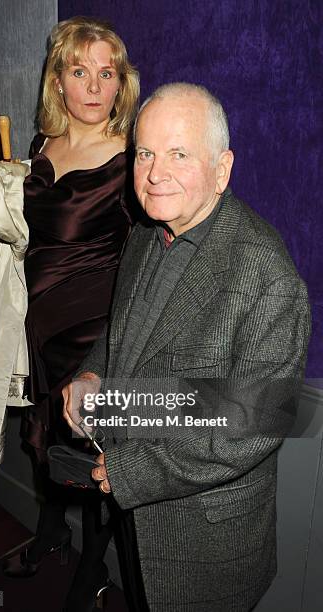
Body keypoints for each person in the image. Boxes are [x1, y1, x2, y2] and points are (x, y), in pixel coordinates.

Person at [63, 83, 311, 611]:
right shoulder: (147, 232)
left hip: (205, 541)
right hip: (134, 519)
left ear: (222, 169)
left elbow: (251, 421)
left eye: (179, 154)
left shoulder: (266, 274)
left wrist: (133, 472)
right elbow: (123, 330)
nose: (154, 174)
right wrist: (91, 375)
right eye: (145, 154)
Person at [3, 16, 139, 611]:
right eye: (78, 70)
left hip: (92, 336)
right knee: (46, 441)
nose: (92, 85)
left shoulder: (133, 160)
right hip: (39, 326)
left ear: (120, 84)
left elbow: (150, 258)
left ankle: (91, 570)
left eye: (105, 73)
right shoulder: (39, 147)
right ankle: (51, 530)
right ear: (58, 81)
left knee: (94, 460)